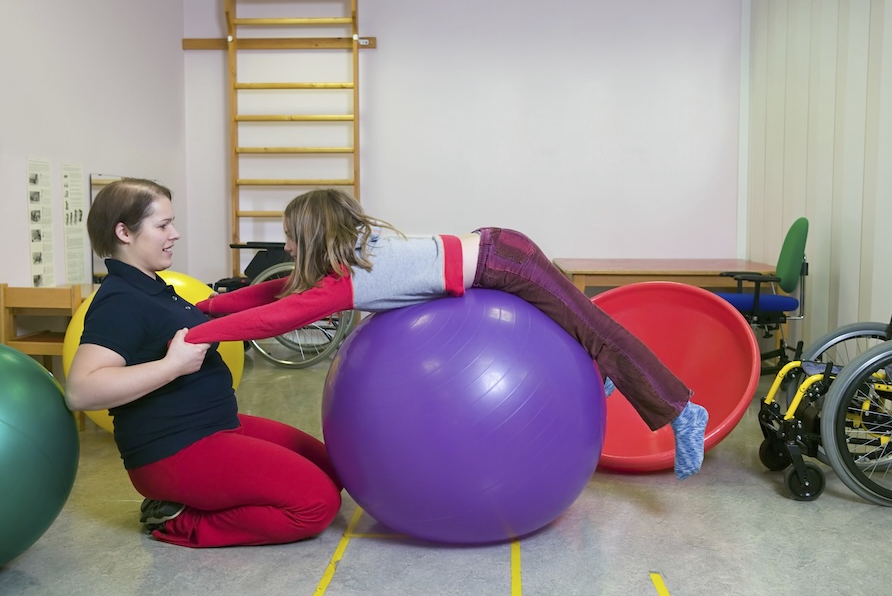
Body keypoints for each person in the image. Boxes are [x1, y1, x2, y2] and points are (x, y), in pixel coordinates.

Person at [185, 189, 710, 480]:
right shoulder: (349, 262)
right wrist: (203, 308)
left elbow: (278, 316)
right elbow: (272, 296)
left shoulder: (349, 279)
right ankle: (602, 378)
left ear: (315, 237)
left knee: (597, 331)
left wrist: (198, 335)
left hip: (507, 261)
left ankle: (683, 410)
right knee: (576, 329)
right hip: (495, 253)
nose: (288, 249)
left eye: (292, 240)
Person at [64, 179, 343, 548]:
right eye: (162, 225)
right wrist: (171, 366)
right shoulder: (120, 300)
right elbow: (81, 390)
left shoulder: (153, 288)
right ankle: (178, 520)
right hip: (176, 448)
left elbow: (229, 307)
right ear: (123, 232)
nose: (175, 234)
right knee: (316, 505)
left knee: (331, 469)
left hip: (217, 425)